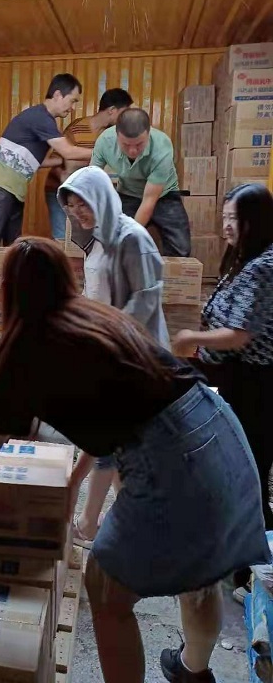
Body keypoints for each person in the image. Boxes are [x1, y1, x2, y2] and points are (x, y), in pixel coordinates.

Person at [0, 237, 269, 683]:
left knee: (105, 586)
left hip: (173, 456)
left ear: (9, 292)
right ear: (66, 279)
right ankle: (192, 671)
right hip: (218, 428)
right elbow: (112, 413)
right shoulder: (98, 319)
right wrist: (72, 483)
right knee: (202, 568)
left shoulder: (26, 348)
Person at [172, 183, 273, 603]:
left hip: (257, 384)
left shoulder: (262, 267)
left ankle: (256, 576)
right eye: (225, 217)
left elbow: (239, 334)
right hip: (239, 379)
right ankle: (243, 561)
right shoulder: (246, 259)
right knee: (241, 468)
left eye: (235, 218)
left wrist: (190, 338)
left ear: (255, 222)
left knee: (248, 472)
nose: (226, 226)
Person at [58, 165, 169, 548]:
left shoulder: (132, 238)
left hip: (132, 356)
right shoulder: (99, 239)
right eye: (72, 206)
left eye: (84, 204)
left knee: (111, 438)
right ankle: (120, 521)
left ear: (102, 198)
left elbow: (146, 299)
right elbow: (97, 291)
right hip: (108, 351)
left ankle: (93, 524)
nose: (78, 213)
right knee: (115, 440)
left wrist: (110, 336)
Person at [0, 73, 83, 311]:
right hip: (1, 185)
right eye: (73, 100)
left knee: (12, 244)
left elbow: (36, 161)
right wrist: (101, 154)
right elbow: (68, 151)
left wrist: (60, 162)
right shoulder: (41, 117)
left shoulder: (42, 121)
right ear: (58, 94)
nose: (73, 107)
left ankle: (10, 291)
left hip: (14, 188)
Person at [91, 108, 191, 257]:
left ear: (148, 133)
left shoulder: (162, 146)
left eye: (139, 144)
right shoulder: (105, 141)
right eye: (126, 145)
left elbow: (149, 201)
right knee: (114, 246)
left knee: (181, 249)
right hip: (128, 193)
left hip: (164, 195)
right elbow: (92, 178)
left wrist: (129, 235)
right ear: (116, 135)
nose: (132, 151)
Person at [44, 88, 133, 240]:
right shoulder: (77, 129)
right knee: (62, 237)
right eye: (123, 113)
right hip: (59, 190)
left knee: (84, 239)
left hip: (85, 195)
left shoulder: (111, 134)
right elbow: (58, 161)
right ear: (112, 110)